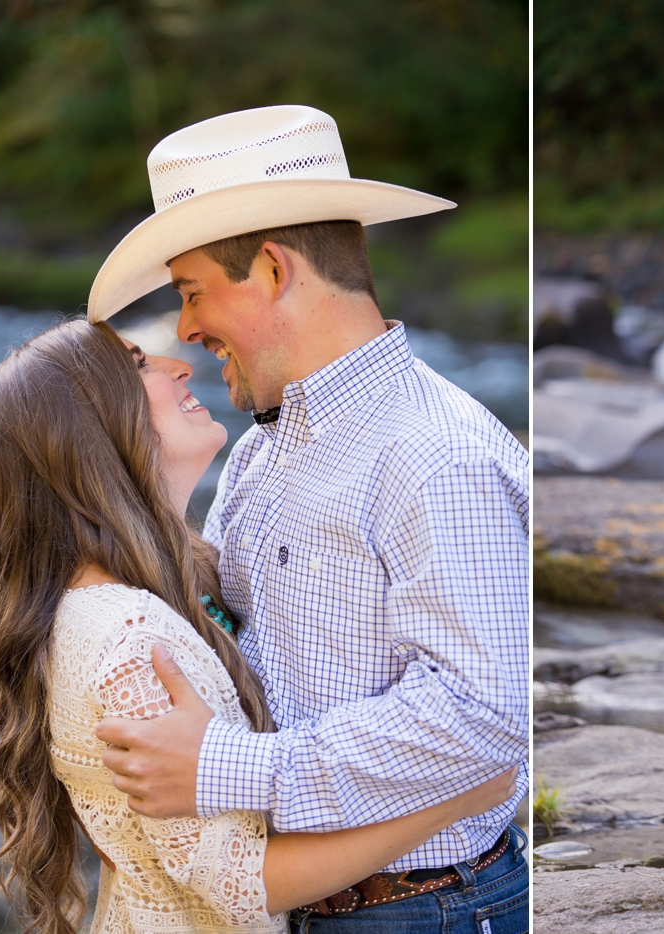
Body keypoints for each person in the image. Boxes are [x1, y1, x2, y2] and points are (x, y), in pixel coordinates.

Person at [84, 105, 530, 930]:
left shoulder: (437, 454)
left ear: (273, 271)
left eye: (192, 293)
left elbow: (485, 716)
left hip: (427, 909)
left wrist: (231, 768)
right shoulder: (263, 447)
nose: (185, 327)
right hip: (302, 901)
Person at [0, 319, 517, 933]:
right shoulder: (130, 635)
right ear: (87, 433)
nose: (180, 363)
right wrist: (455, 798)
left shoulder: (155, 570)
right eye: (141, 364)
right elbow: (237, 884)